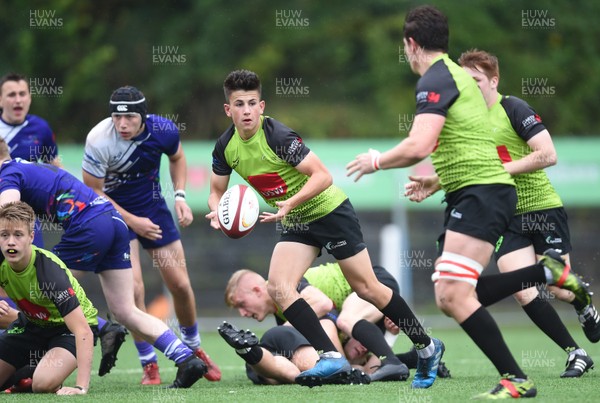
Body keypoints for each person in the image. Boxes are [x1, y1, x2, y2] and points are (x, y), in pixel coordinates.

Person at [346, 5, 592, 399]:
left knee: (452, 293)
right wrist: (436, 180)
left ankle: (517, 374)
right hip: (479, 191)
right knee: (456, 293)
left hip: (482, 194)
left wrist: (376, 160)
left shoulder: (436, 78)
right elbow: (470, 147)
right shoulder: (459, 77)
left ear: (411, 44)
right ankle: (545, 278)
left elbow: (419, 144)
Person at [207, 69, 444, 389]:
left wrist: (290, 203)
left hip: (328, 210)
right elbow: (216, 190)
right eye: (239, 104)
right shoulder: (225, 147)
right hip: (295, 219)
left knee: (368, 288)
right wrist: (216, 212)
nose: (246, 110)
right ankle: (330, 356)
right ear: (228, 109)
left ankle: (427, 346)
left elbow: (322, 176)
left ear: (261, 106)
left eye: (252, 103)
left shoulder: (278, 137)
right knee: (278, 287)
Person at [406, 48, 597, 378]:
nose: (472, 87)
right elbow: (468, 167)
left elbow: (547, 154)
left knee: (558, 290)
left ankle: (583, 304)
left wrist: (499, 171)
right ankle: (575, 352)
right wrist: (435, 182)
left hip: (541, 207)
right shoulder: (467, 118)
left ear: (494, 81)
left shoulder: (513, 108)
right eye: (466, 81)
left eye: (477, 80)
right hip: (504, 214)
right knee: (523, 289)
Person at [0, 140, 207, 388]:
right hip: (112, 219)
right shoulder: (22, 166)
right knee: (126, 310)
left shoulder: (7, 175)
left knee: (40, 279)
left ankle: (100, 328)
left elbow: (8, 212)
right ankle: (186, 358)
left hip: (89, 225)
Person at [82, 86, 220, 384]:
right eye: (117, 118)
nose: (122, 125)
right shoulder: (98, 139)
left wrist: (180, 196)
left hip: (154, 211)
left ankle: (194, 350)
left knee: (181, 285)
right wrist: (133, 221)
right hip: (114, 217)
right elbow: (92, 189)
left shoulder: (163, 130)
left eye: (130, 117)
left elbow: (178, 157)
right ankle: (149, 363)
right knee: (132, 291)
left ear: (143, 116)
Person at [225, 264, 452, 382]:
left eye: (241, 304)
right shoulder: (281, 312)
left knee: (346, 320)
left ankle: (394, 361)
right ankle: (414, 359)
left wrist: (281, 331)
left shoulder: (282, 286)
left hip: (372, 283)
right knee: (366, 369)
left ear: (257, 290)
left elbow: (323, 304)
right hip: (358, 309)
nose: (243, 313)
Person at [0, 201, 94, 395]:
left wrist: (81, 387)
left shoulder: (48, 272)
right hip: (33, 324)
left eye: (18, 235)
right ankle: (23, 373)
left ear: (31, 237)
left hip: (68, 329)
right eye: (4, 235)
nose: (11, 242)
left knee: (42, 385)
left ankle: (38, 371)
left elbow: (83, 330)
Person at [218, 321, 370, 386]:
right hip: (284, 338)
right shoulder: (335, 327)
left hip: (264, 359)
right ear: (349, 336)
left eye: (367, 352)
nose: (364, 348)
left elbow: (373, 367)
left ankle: (247, 350)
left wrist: (361, 367)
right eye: (363, 341)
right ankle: (338, 376)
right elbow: (326, 324)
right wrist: (350, 366)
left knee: (291, 375)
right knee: (317, 367)